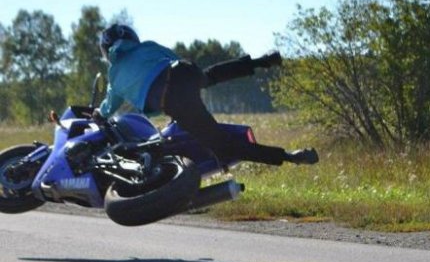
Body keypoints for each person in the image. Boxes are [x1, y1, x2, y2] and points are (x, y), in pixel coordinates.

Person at [95, 24, 319, 166]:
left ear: (107, 51)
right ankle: (262, 61)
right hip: (182, 72)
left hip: (170, 99)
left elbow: (108, 107)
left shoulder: (114, 74)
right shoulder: (147, 46)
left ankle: (289, 156)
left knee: (221, 144)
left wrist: (98, 113)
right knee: (211, 75)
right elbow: (174, 58)